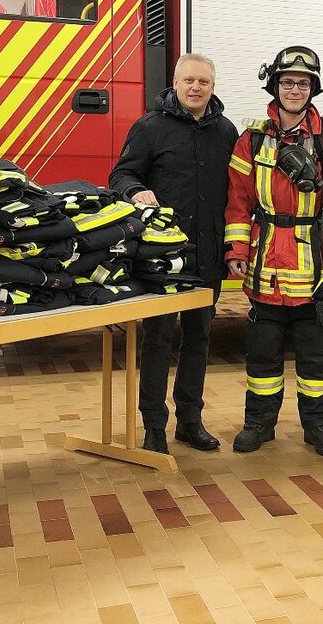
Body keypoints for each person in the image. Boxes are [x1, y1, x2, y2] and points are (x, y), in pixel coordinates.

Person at [224, 45, 323, 457]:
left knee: (317, 362)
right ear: (275, 85)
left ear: (313, 88)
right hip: (265, 265)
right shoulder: (250, 138)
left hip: (314, 269)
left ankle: (319, 427)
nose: (295, 90)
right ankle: (259, 424)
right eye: (288, 82)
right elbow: (238, 201)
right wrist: (236, 247)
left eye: (303, 83)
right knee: (262, 359)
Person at [108, 53, 238, 454]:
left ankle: (190, 421)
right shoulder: (151, 127)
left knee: (199, 338)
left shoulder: (227, 132)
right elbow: (121, 174)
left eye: (204, 82)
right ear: (175, 83)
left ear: (213, 87)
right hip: (164, 258)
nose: (196, 88)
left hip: (208, 256)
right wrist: (135, 191)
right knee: (158, 340)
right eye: (189, 81)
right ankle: (153, 427)